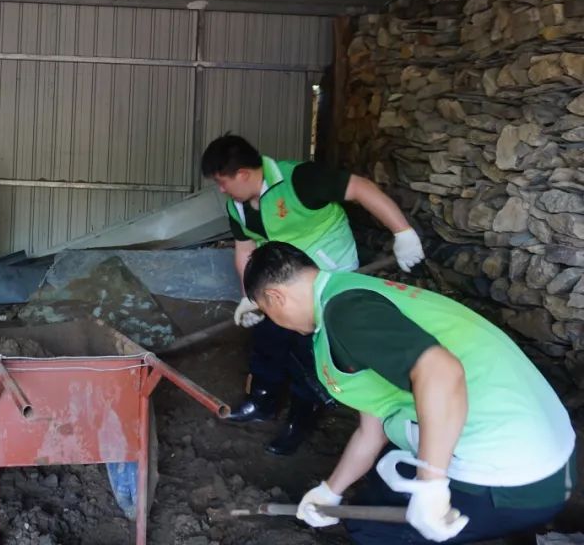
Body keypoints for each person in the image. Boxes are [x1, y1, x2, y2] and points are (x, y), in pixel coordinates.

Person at [244, 242, 575, 545]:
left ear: (276, 297)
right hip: (551, 453)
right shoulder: (349, 293)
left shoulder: (346, 316)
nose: (276, 323)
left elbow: (441, 371)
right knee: (376, 490)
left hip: (516, 478)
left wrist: (431, 486)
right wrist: (330, 491)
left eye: (268, 313)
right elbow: (371, 430)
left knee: (372, 532)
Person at [201, 134, 425, 455]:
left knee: (309, 350)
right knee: (267, 336)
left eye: (222, 182)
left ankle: (302, 415)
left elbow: (360, 188)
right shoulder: (237, 207)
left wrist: (403, 233)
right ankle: (262, 400)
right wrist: (250, 296)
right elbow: (245, 250)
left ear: (243, 174)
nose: (221, 189)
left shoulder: (300, 179)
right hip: (279, 282)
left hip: (325, 281)